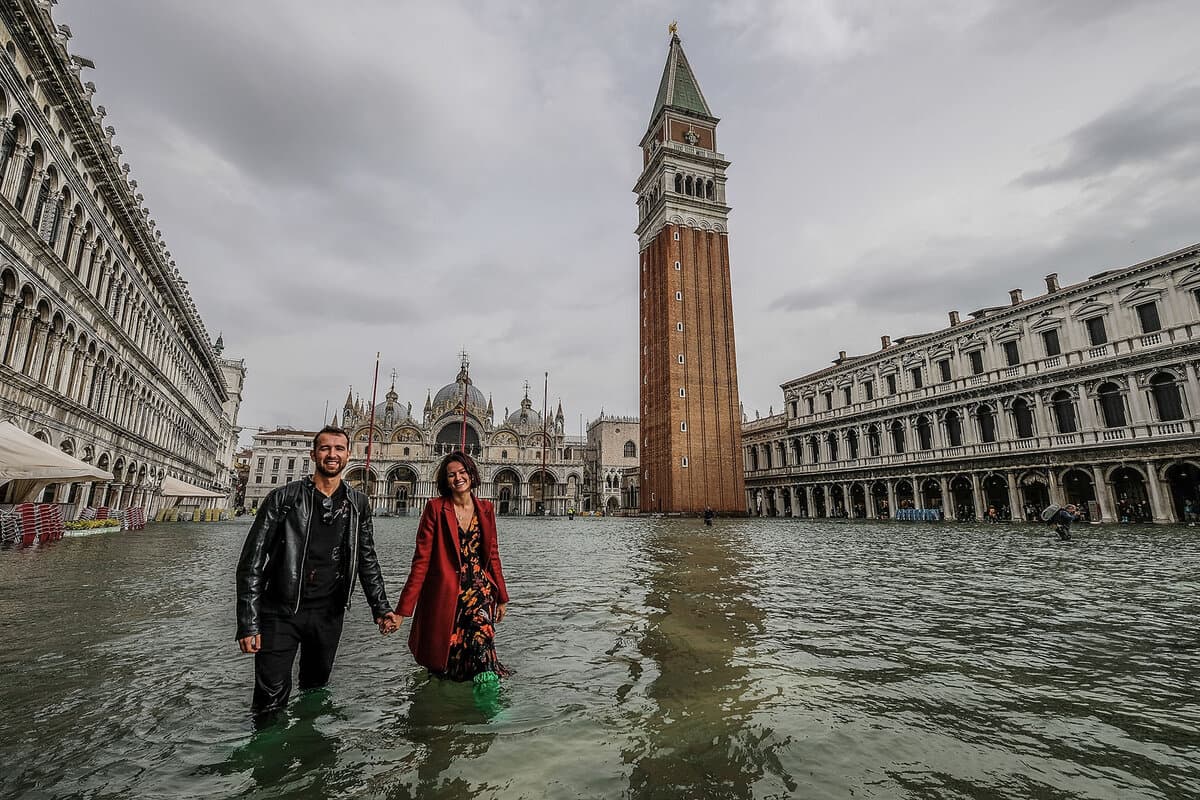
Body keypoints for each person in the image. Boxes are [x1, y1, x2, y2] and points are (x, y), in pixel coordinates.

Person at [235, 425, 397, 720]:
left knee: (315, 691)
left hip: (328, 614)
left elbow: (367, 559)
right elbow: (252, 561)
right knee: (269, 702)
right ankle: (268, 760)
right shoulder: (283, 498)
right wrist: (248, 622)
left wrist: (381, 607)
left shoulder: (358, 503)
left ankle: (308, 756)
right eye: (325, 448)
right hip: (280, 612)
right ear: (313, 454)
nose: (332, 454)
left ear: (349, 455)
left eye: (338, 449)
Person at [387, 452, 510, 685]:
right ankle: (450, 713)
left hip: (479, 593)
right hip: (447, 593)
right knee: (449, 658)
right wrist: (403, 611)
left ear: (472, 475)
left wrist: (502, 597)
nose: (458, 478)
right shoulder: (435, 508)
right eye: (451, 474)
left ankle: (492, 711)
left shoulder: (486, 509)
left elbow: (493, 555)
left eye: (463, 472)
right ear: (445, 480)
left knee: (483, 651)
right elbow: (421, 561)